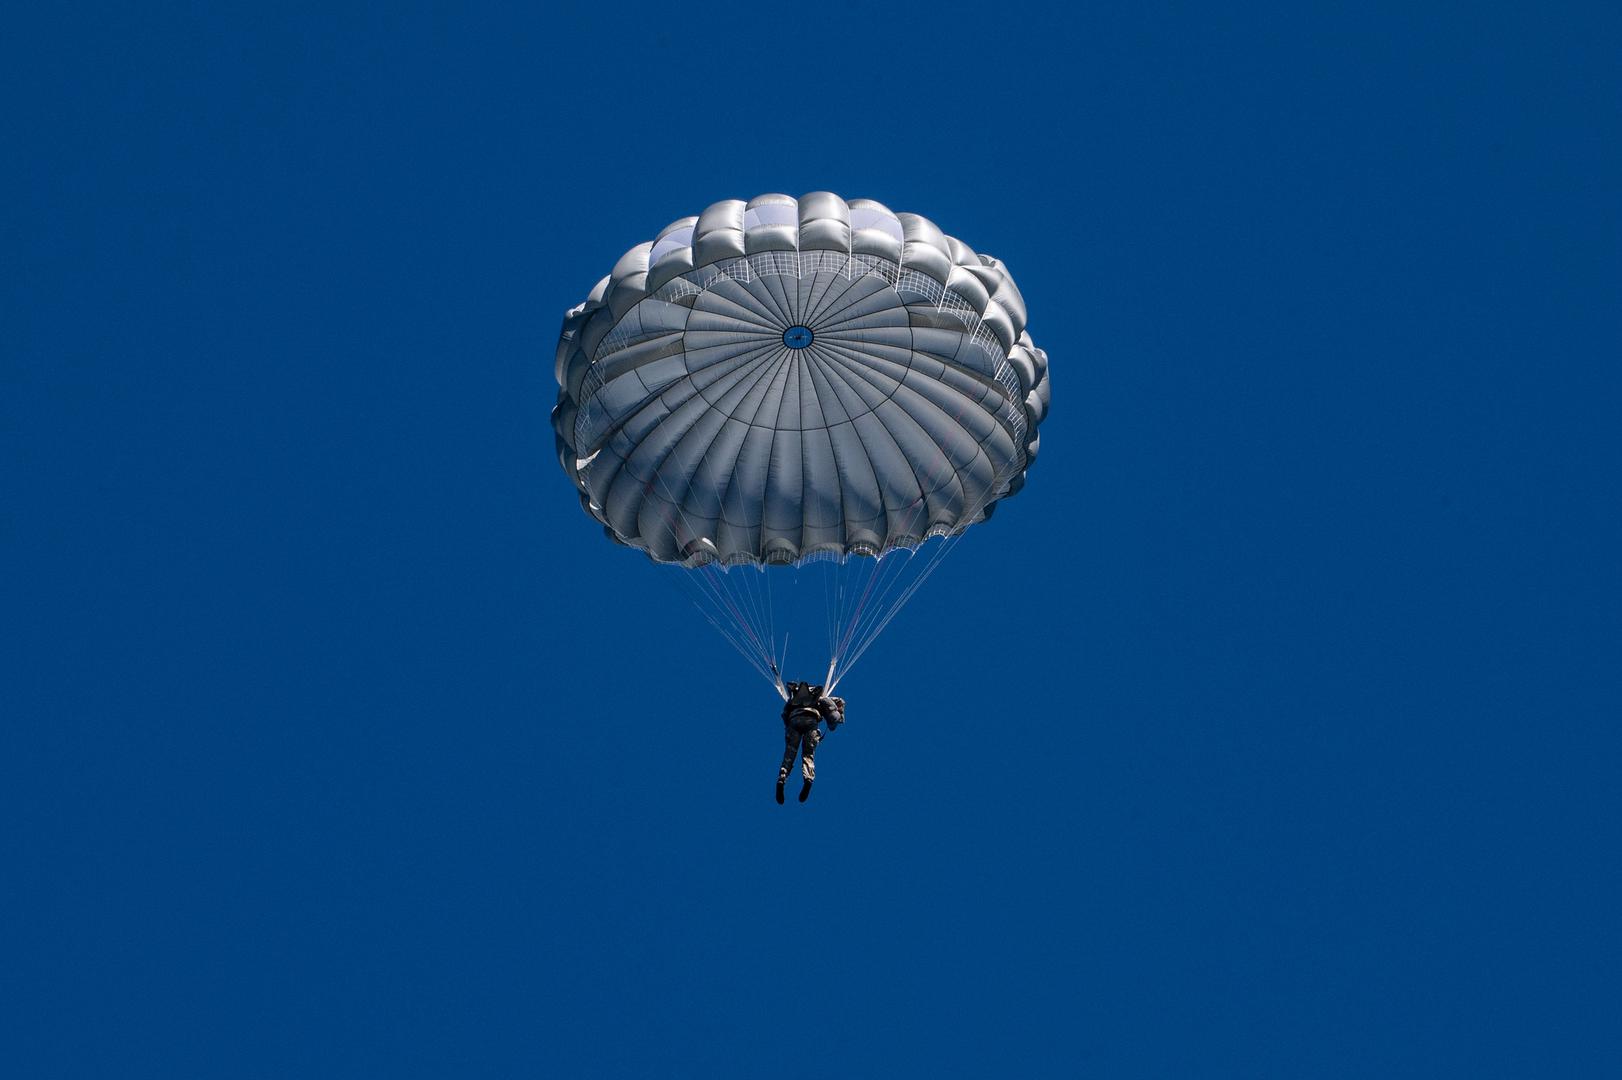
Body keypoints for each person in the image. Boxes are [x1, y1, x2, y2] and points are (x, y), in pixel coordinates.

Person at [776, 681, 845, 804]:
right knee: (808, 754)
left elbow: (784, 714)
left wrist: (788, 727)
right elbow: (837, 706)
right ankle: (808, 779)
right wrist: (838, 717)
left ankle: (782, 777)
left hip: (794, 721)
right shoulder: (821, 698)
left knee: (790, 753)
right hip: (811, 722)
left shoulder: (793, 699)